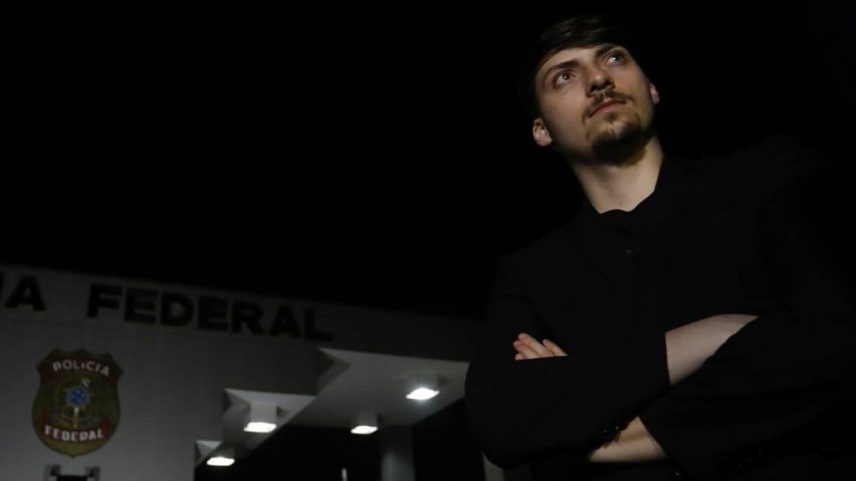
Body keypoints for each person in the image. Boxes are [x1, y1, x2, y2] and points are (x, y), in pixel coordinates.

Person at [464, 14, 856, 481]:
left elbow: (837, 336)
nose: (599, 79)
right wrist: (705, 339)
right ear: (541, 130)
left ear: (651, 89)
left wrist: (599, 431)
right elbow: (499, 419)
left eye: (613, 57)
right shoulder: (530, 274)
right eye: (564, 76)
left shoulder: (768, 177)